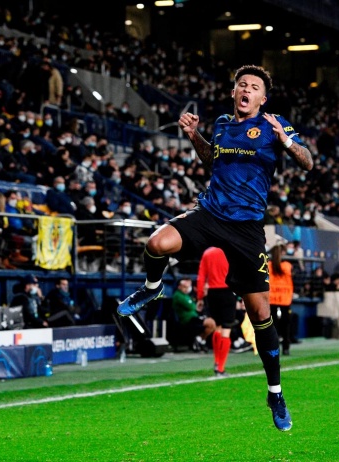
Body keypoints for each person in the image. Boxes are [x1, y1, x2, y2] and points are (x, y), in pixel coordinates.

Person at [117, 65, 313, 431]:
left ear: (262, 98)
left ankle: (275, 393)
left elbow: (308, 162)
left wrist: (286, 142)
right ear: (234, 92)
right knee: (157, 243)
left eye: (254, 87)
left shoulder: (274, 125)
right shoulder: (222, 124)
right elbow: (211, 160)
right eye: (242, 84)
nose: (246, 89)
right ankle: (152, 287)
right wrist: (194, 135)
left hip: (247, 228)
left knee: (261, 315)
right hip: (210, 213)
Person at [197, 246, 237, 376]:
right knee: (226, 329)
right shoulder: (231, 250)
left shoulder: (208, 253)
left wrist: (200, 297)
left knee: (218, 328)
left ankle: (216, 362)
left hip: (213, 293)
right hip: (228, 292)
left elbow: (201, 276)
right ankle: (221, 367)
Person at [267, 238, 295, 355]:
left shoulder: (268, 265)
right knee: (286, 324)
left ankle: (273, 348)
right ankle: (286, 347)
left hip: (272, 298)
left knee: (273, 325)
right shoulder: (287, 266)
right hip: (285, 298)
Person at [172, 277, 216, 351]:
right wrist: (194, 306)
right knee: (210, 323)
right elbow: (192, 307)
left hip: (194, 317)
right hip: (187, 319)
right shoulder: (178, 295)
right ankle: (201, 340)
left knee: (212, 323)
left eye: (187, 287)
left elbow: (194, 306)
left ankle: (199, 340)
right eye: (184, 287)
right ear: (179, 286)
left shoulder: (186, 295)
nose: (186, 289)